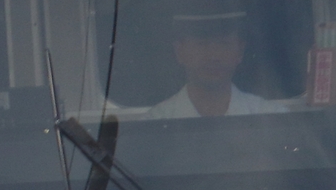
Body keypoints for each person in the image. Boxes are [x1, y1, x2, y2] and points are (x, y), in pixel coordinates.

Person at [125, 10, 295, 119]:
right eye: (201, 44)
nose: (214, 56)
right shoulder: (155, 123)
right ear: (179, 52)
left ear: (240, 52)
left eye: (224, 44)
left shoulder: (271, 117)